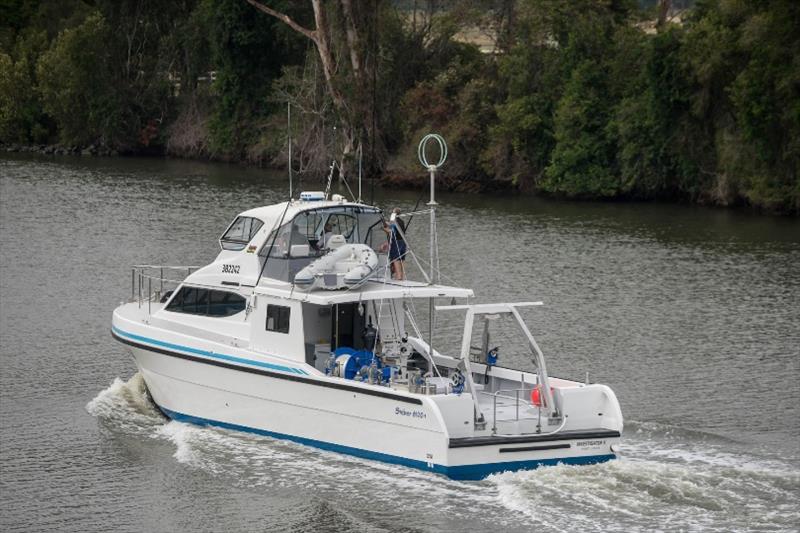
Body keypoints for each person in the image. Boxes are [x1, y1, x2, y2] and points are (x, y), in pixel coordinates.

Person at [383, 207, 407, 280]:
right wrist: (387, 223)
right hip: (403, 242)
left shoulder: (394, 222)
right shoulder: (401, 222)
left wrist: (384, 229)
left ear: (394, 214)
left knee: (396, 259)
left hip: (397, 243)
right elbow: (392, 225)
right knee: (401, 259)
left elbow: (392, 232)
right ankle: (401, 276)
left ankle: (398, 277)